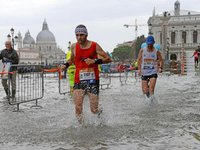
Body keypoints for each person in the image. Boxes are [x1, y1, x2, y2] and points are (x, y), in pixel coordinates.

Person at [61, 24, 112, 123]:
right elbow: (71, 60)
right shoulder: (74, 47)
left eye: (81, 35)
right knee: (78, 108)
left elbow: (108, 59)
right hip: (79, 80)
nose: (79, 37)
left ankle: (100, 115)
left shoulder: (94, 45)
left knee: (94, 110)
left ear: (86, 35)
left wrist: (95, 61)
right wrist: (65, 65)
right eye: (77, 35)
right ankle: (82, 128)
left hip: (92, 80)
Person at [137, 35, 163, 103]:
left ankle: (152, 104)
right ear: (146, 43)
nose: (149, 45)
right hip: (144, 72)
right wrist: (139, 69)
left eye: (151, 44)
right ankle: (150, 100)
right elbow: (139, 60)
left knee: (151, 89)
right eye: (148, 44)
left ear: (153, 43)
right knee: (145, 91)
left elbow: (161, 60)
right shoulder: (142, 50)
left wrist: (160, 67)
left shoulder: (156, 51)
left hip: (153, 72)